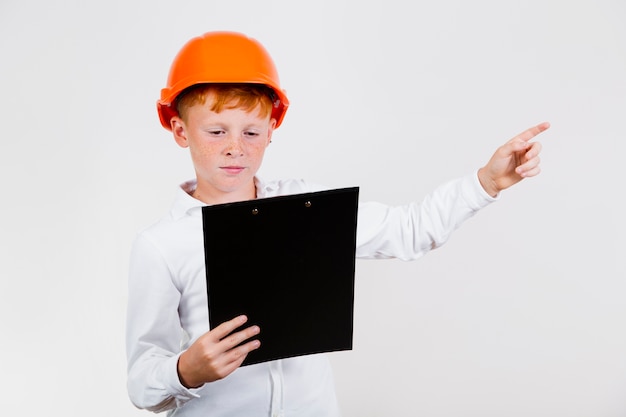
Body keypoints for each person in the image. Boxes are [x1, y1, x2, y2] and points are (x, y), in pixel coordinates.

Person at [125, 31, 550, 417]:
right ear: (180, 131)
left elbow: (410, 231)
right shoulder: (161, 245)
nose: (235, 149)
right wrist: (186, 370)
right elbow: (142, 382)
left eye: (251, 133)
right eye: (216, 131)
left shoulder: (308, 207)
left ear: (272, 128)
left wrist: (486, 182)